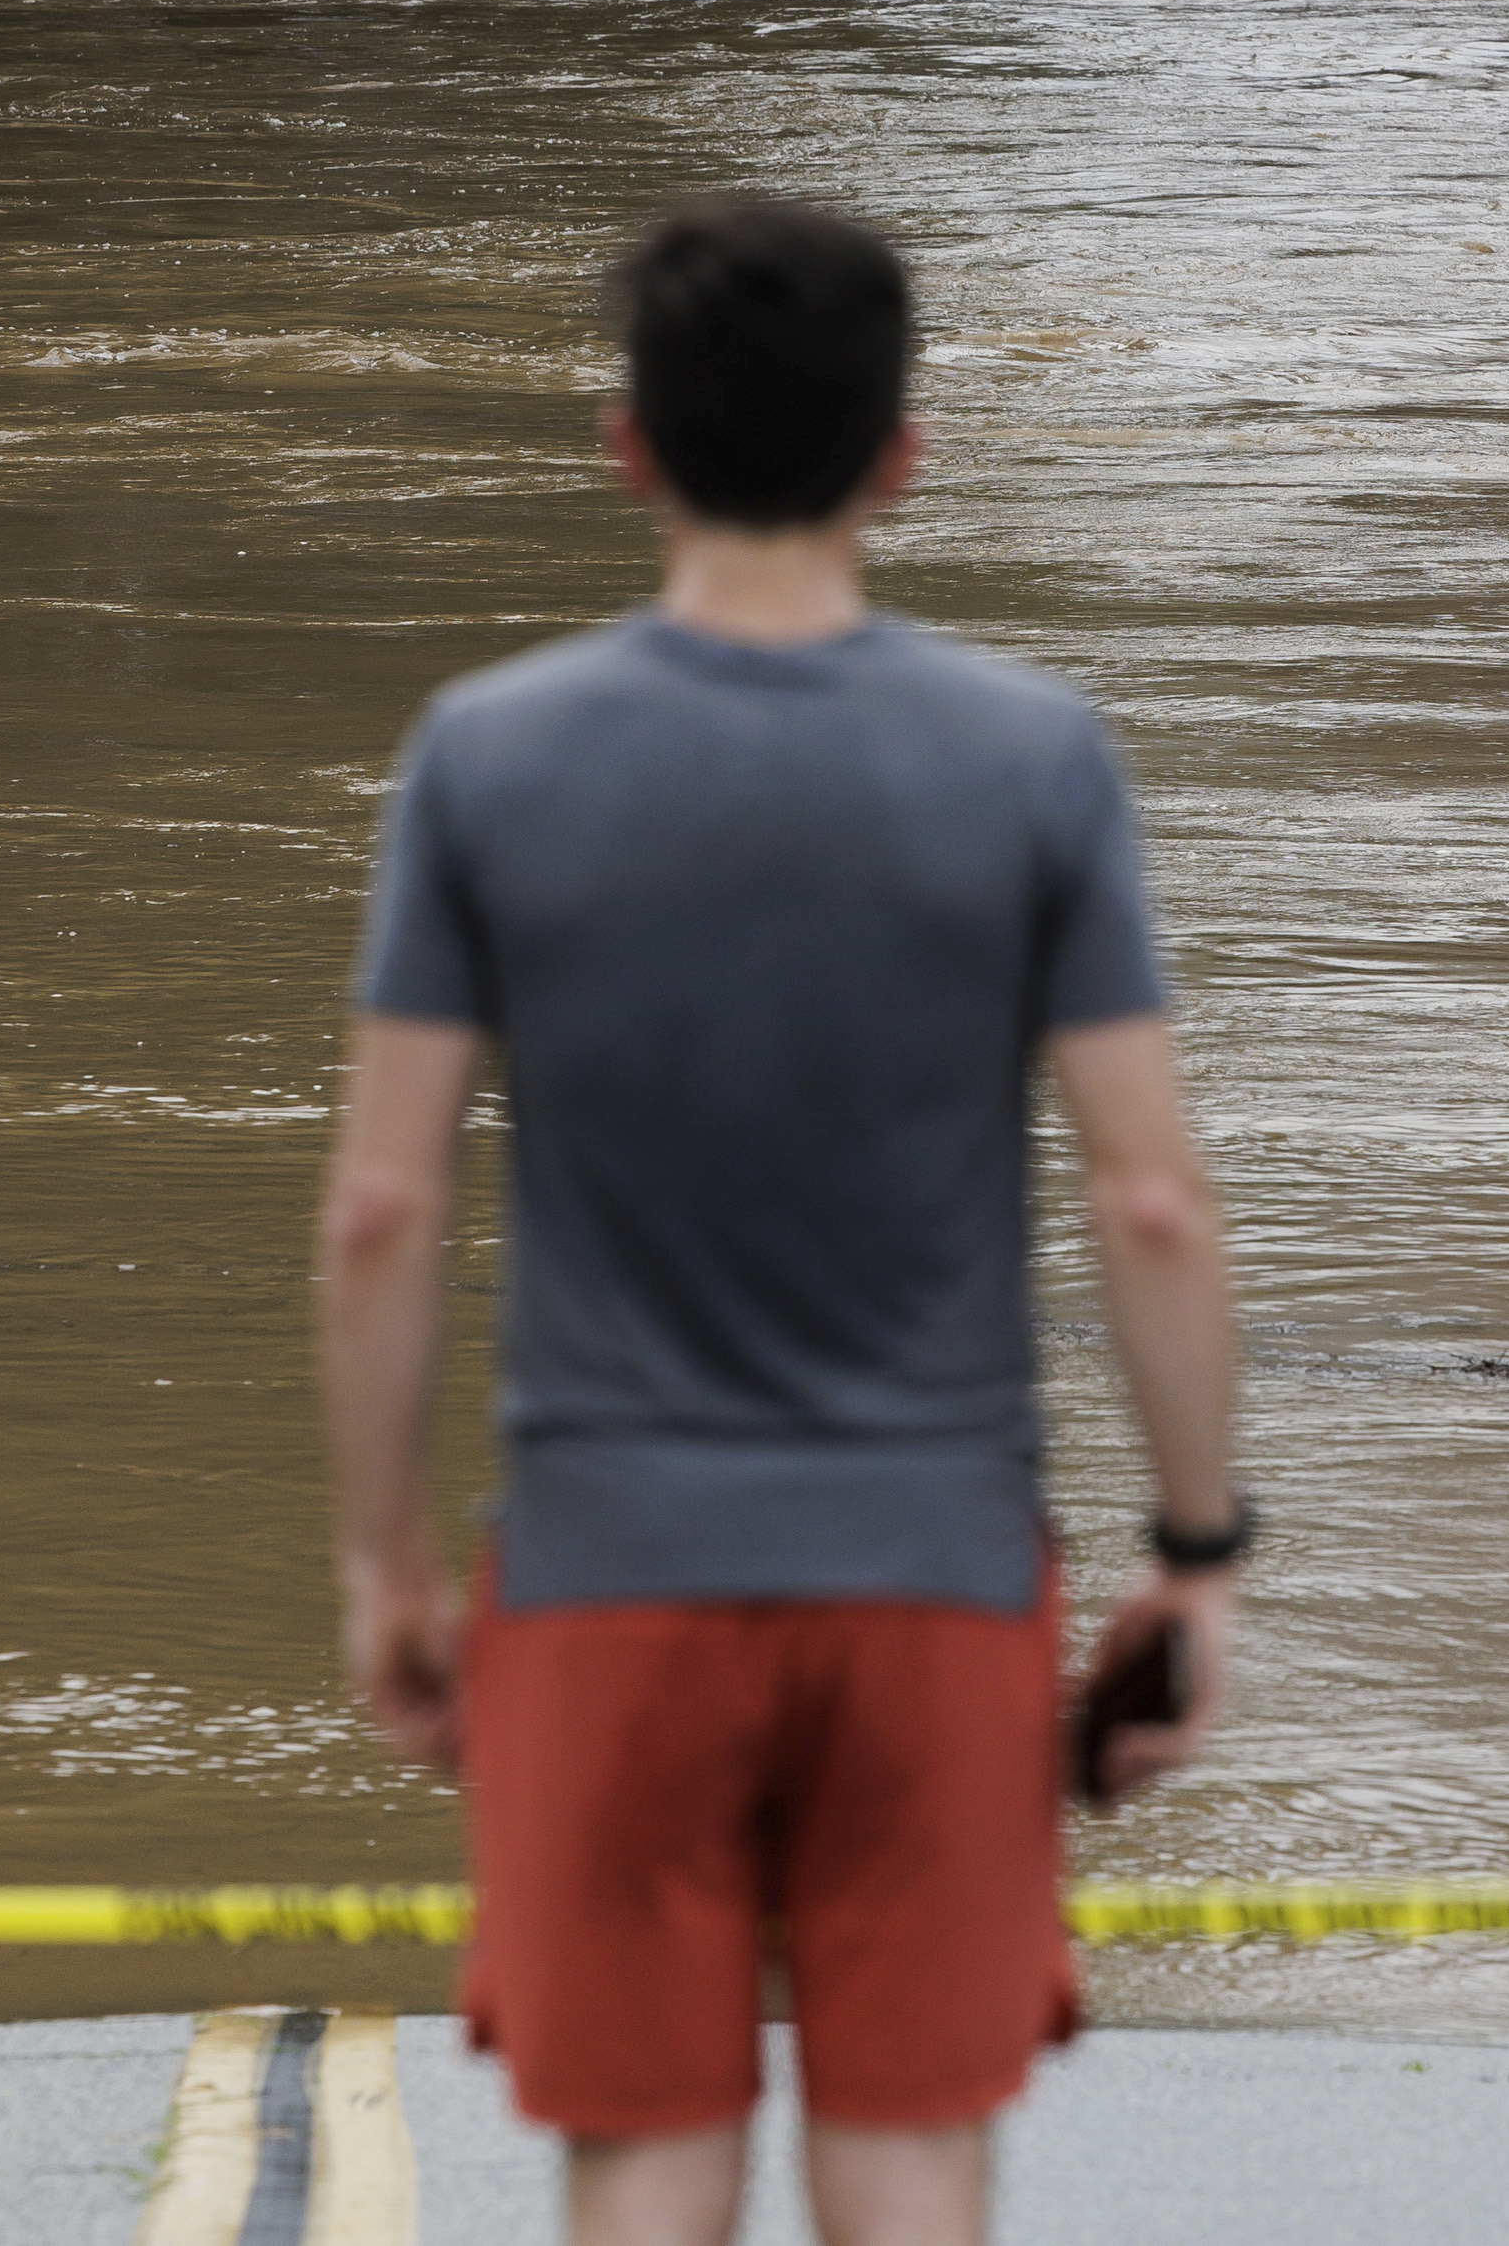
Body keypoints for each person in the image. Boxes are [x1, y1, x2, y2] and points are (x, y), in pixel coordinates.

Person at [317, 194, 1248, 2246]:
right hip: (927, 1575)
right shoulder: (1034, 759)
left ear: (625, 443)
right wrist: (1194, 1555)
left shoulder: (486, 757)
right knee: (908, 2158)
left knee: (643, 2157)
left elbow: (383, 1206)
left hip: (606, 1577)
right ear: (902, 455)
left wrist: (388, 1560)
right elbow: (1151, 1200)